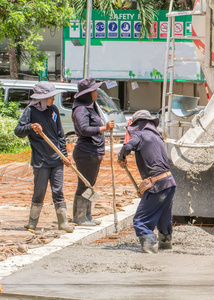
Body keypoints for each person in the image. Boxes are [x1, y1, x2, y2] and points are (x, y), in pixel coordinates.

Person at [14, 82, 73, 233]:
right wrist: (31, 126)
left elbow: (60, 135)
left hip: (57, 159)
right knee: (39, 191)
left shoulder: (53, 110)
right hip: (41, 161)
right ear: (42, 98)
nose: (53, 98)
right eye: (50, 96)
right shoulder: (31, 111)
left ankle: (63, 222)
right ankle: (32, 222)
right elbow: (18, 130)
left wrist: (64, 155)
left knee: (58, 191)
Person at [117, 110, 176, 254]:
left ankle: (150, 248)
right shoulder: (157, 136)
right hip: (169, 183)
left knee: (141, 220)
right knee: (163, 217)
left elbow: (127, 146)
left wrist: (121, 156)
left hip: (157, 185)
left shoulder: (140, 134)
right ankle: (165, 244)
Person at [72, 77, 114, 226]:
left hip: (94, 152)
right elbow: (84, 129)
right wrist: (104, 128)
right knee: (84, 184)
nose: (96, 93)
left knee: (90, 184)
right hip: (85, 152)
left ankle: (87, 215)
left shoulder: (91, 107)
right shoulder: (81, 109)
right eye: (94, 90)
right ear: (89, 93)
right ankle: (80, 217)